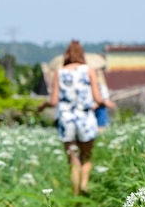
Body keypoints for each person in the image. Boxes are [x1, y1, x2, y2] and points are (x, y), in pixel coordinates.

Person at [38, 40, 106, 195]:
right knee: (86, 157)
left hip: (66, 119)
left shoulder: (59, 72)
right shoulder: (89, 70)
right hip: (85, 118)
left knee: (73, 158)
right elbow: (97, 98)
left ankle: (75, 195)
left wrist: (43, 105)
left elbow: (54, 101)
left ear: (66, 54)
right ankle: (84, 185)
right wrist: (105, 102)